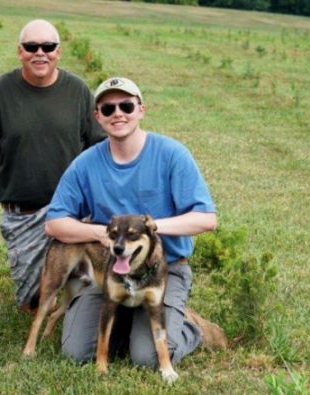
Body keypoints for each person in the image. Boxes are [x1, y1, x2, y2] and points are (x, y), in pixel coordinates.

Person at [45, 77, 218, 368]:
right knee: (77, 354)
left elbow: (206, 218)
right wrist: (101, 234)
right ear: (97, 116)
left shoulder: (172, 154)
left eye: (126, 105)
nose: (118, 114)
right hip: (108, 270)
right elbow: (54, 223)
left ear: (141, 110)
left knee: (147, 358)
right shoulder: (86, 164)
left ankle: (189, 327)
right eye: (108, 108)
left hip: (165, 268)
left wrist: (151, 229)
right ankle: (128, 319)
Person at [0, 19, 105, 311]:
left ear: (58, 52)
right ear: (20, 51)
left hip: (73, 212)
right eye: (31, 47)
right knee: (33, 304)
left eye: (48, 47)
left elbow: (102, 146)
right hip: (25, 215)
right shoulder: (0, 92)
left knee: (89, 297)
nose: (40, 53)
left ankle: (79, 295)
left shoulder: (78, 91)